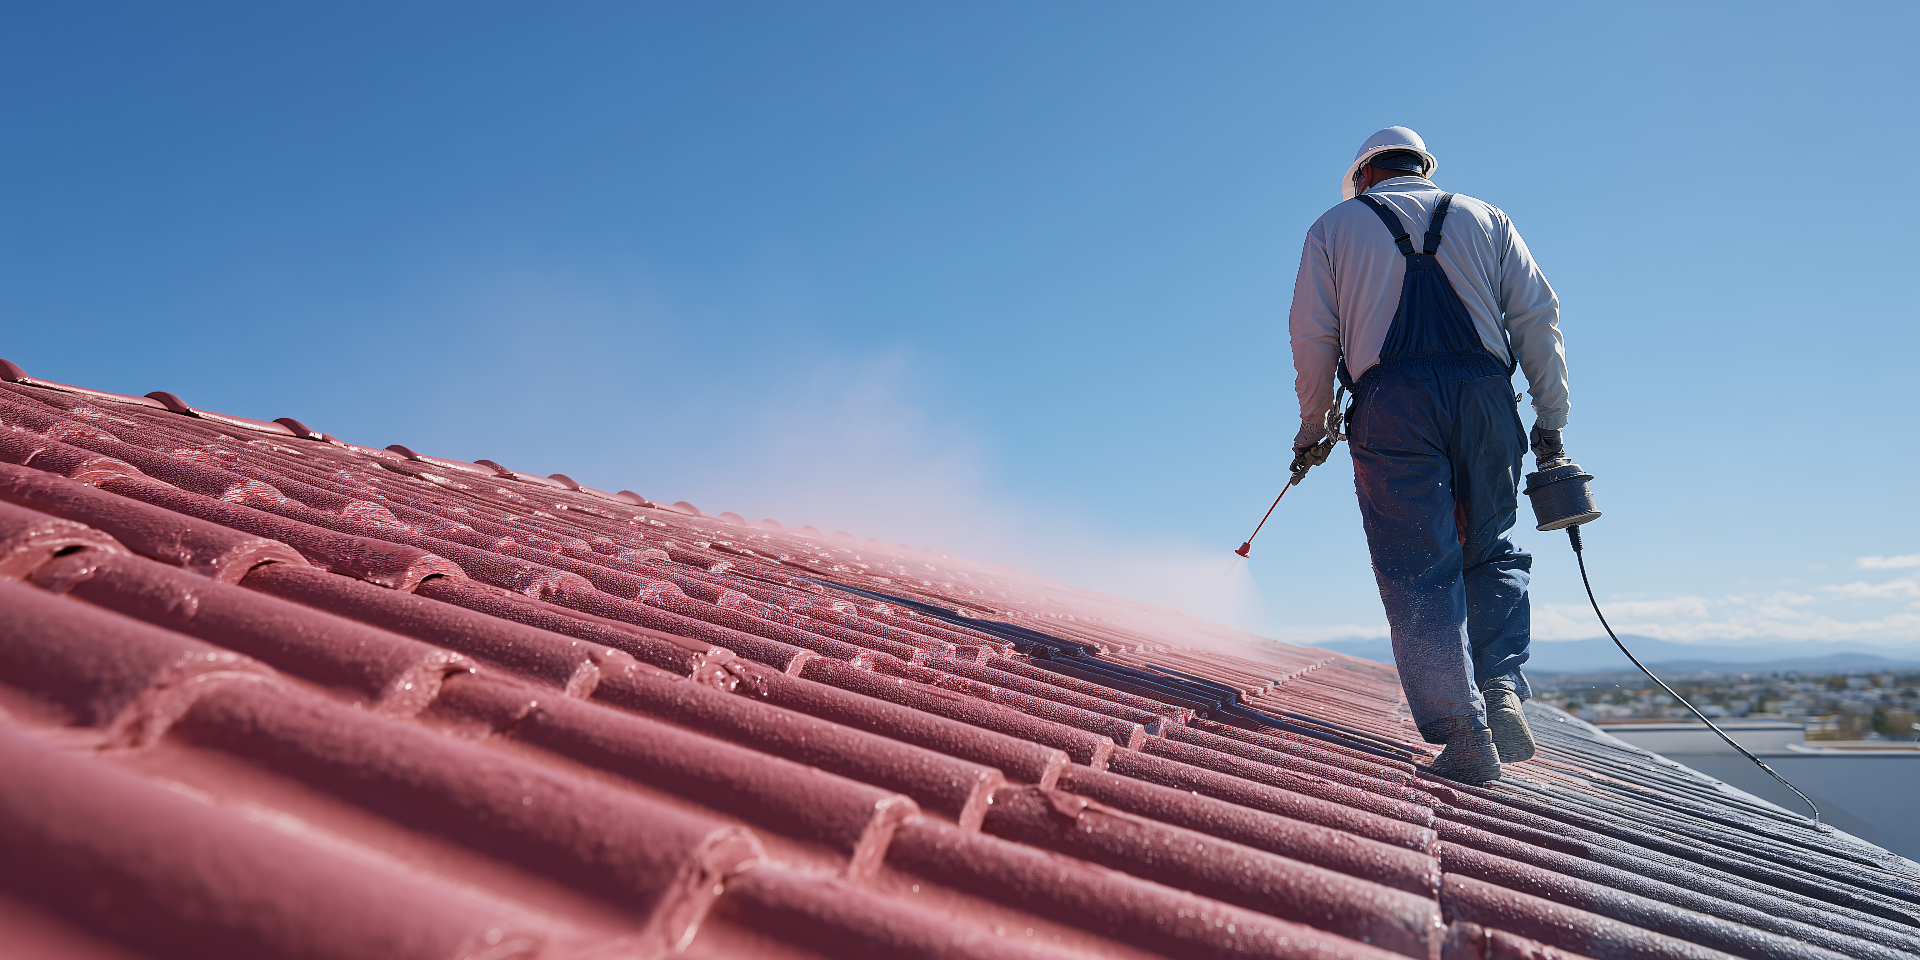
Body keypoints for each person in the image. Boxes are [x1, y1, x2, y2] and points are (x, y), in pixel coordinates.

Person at [1286, 127, 1569, 783]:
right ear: (1422, 169)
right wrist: (1551, 421)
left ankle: (1463, 733)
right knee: (1490, 548)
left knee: (1417, 565)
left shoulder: (1333, 227)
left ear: (1364, 176)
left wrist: (1313, 426)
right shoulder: (1486, 217)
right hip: (1487, 400)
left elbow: (1312, 335)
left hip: (1394, 404)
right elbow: (1537, 316)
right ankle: (1500, 692)